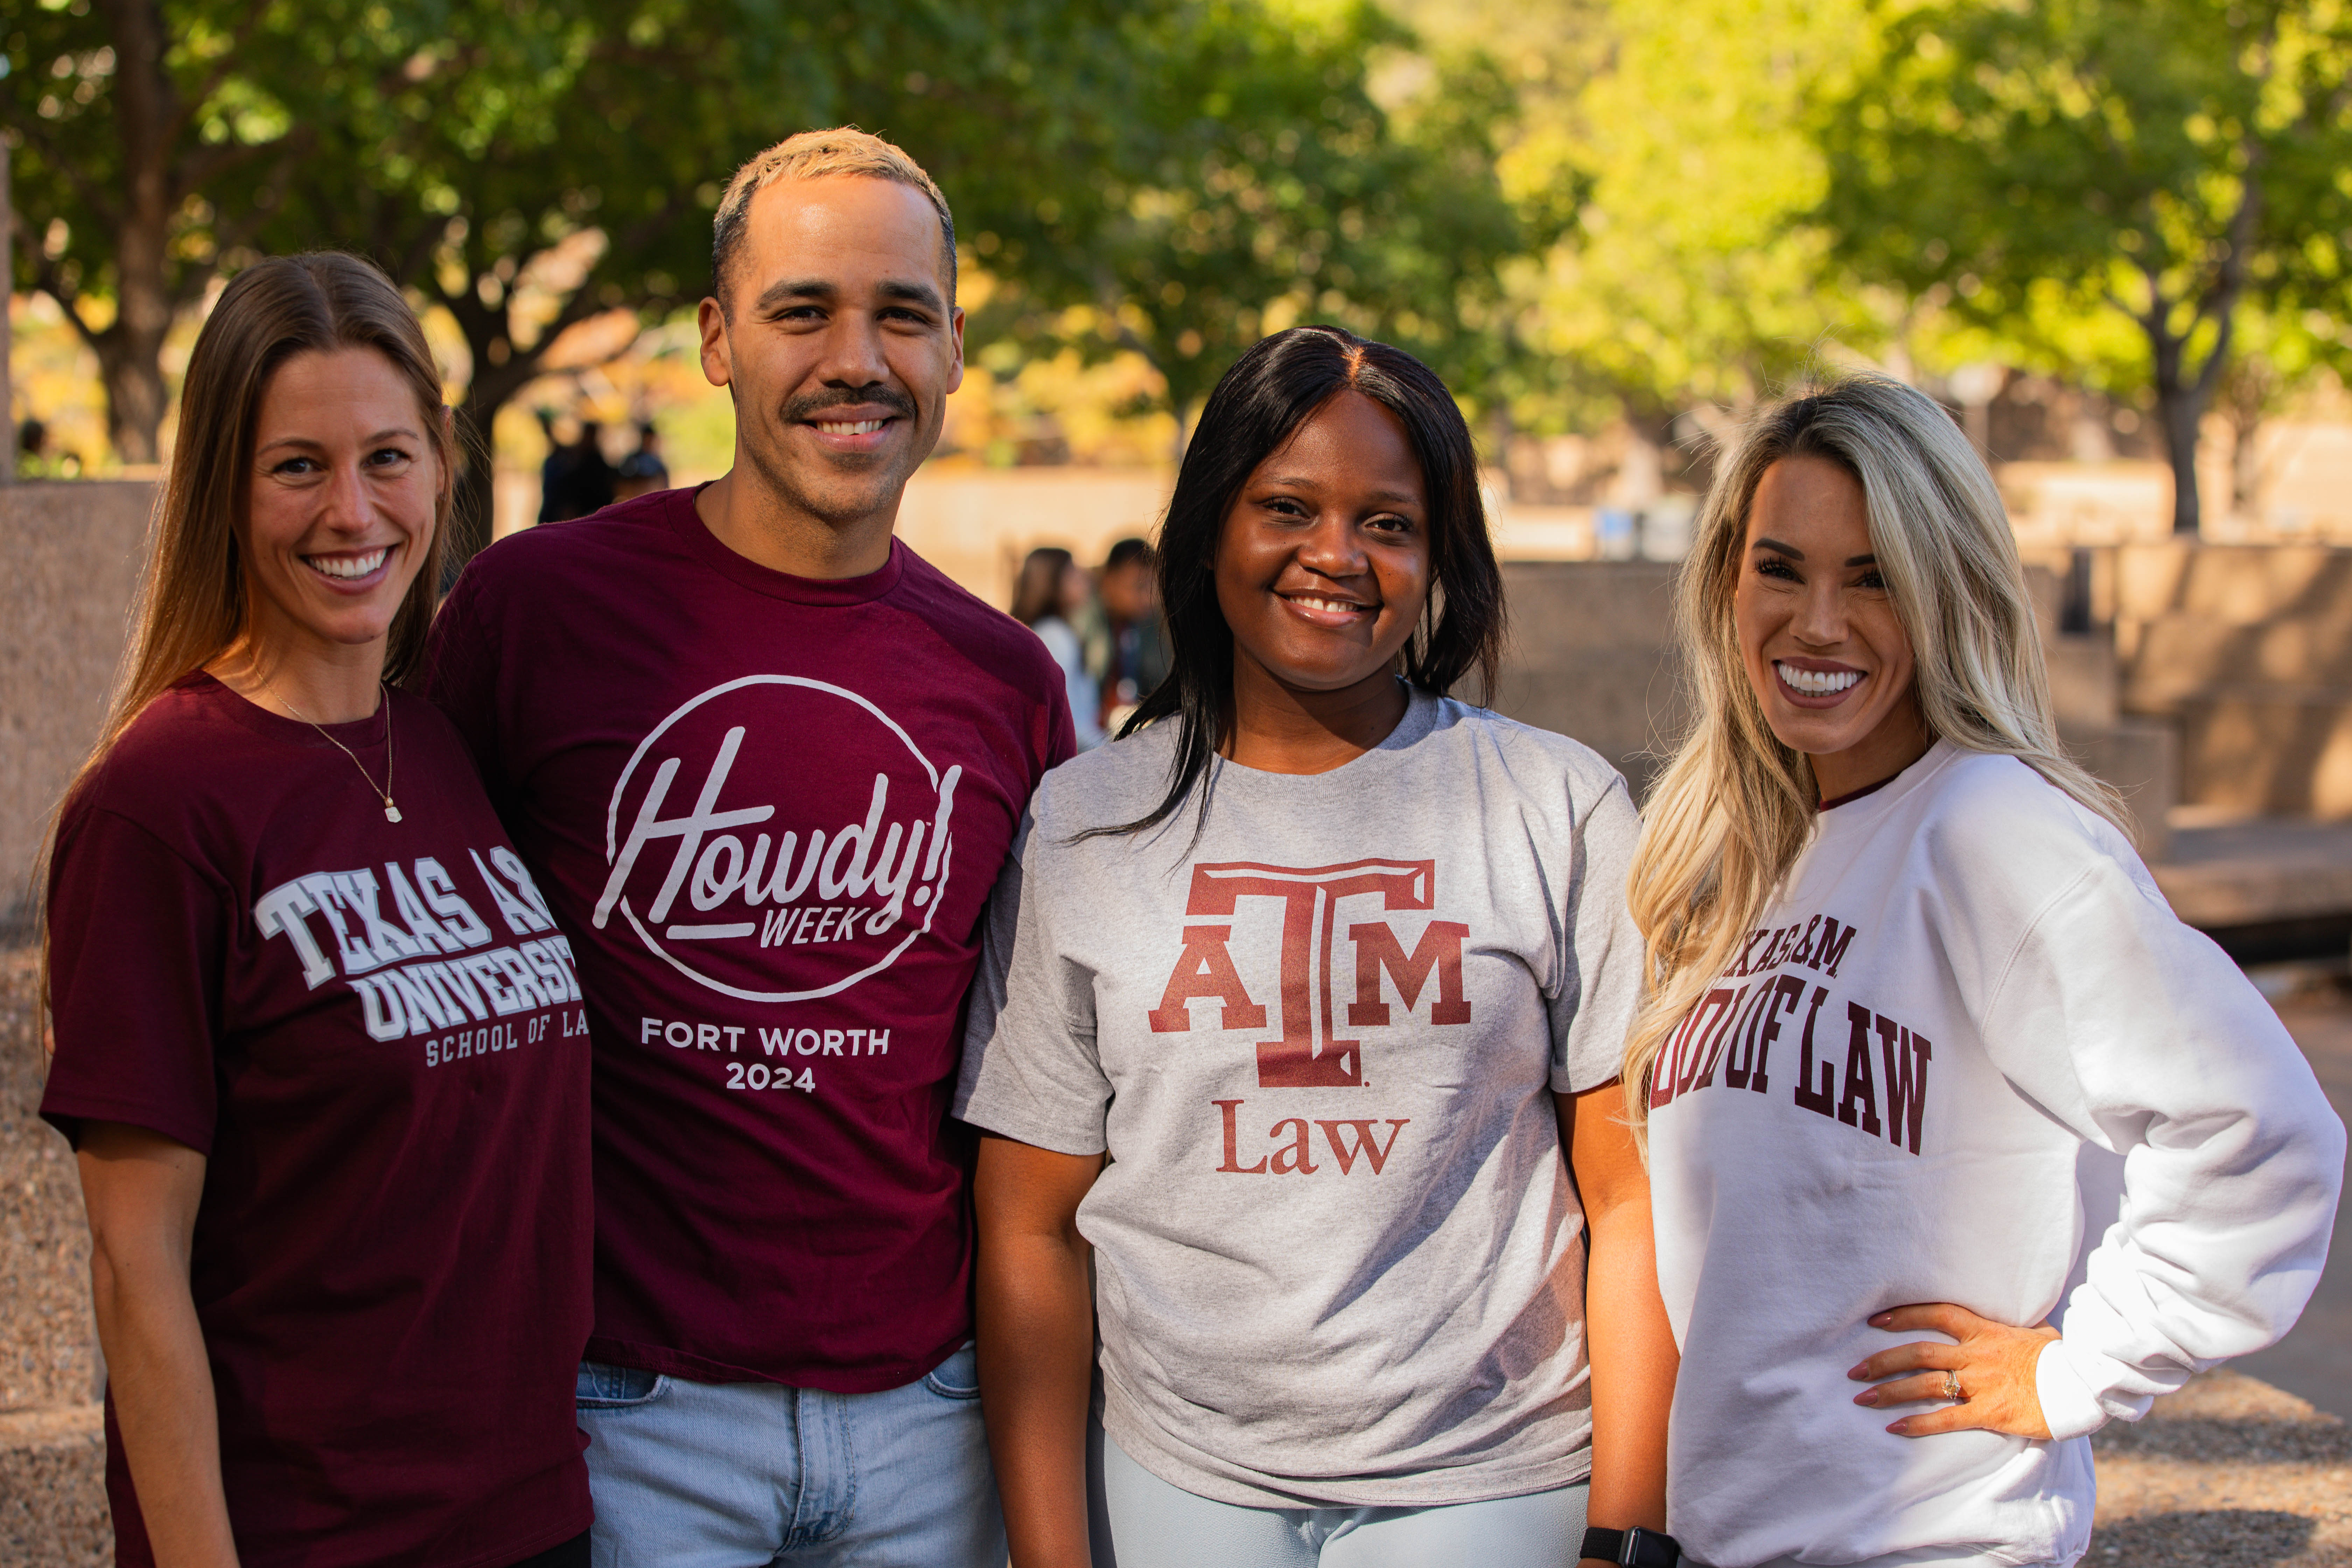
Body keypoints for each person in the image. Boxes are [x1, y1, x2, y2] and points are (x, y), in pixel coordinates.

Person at [421, 127, 1071, 1566]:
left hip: (929, 1416)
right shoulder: (536, 612)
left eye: (902, 313)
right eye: (804, 311)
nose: (858, 357)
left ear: (956, 348)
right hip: (628, 1405)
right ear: (717, 341)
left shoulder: (1007, 678)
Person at [961, 324, 1678, 1568]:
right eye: (1283, 506)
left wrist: (1626, 1531)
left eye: (1386, 523)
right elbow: (1028, 1226)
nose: (1333, 557)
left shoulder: (1552, 805)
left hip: (1488, 1473)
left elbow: (1633, 1199)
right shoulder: (1086, 824)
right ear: (1207, 527)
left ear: (1438, 552)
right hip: (1174, 1472)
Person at [1623, 373, 2344, 1568]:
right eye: (1781, 568)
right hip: (1730, 1538)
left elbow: (2266, 1134)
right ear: (1726, 584)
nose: (1816, 623)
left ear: (1946, 590)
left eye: (1875, 578)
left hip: (1933, 1541)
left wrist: (2077, 1370)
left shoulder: (1993, 827)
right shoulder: (1741, 853)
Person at [38, 253, 594, 1568]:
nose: (351, 511)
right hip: (313, 1537)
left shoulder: (450, 745)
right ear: (223, 486)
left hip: (535, 1520)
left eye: (385, 458)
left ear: (442, 462)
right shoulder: (159, 805)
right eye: (297, 466)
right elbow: (136, 1270)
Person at [1012, 546, 1106, 750]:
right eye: (1073, 573)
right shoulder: (1055, 636)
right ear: (1051, 584)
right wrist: (1116, 748)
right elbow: (1067, 721)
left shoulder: (1054, 632)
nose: (1085, 580)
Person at [1088, 534, 1170, 734]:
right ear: (1109, 582)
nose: (1148, 598)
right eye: (1138, 587)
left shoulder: (1148, 628)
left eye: (1153, 587)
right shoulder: (1085, 629)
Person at [614, 421, 671, 501]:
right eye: (638, 484)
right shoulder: (632, 460)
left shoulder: (657, 464)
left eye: (646, 484)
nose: (642, 488)